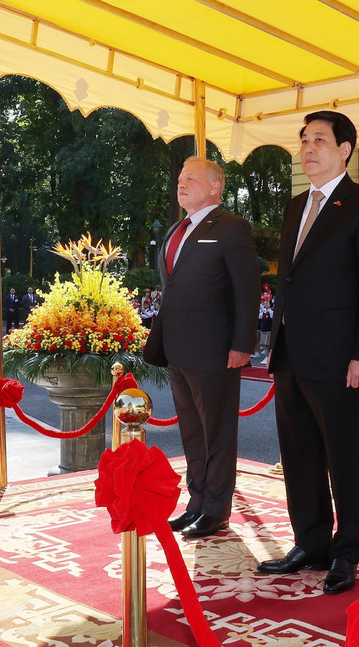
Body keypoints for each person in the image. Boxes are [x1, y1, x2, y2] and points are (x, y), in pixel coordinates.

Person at [258, 111, 359, 596]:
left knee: (343, 456)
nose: (308, 148)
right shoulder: (296, 206)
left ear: (345, 150)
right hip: (291, 352)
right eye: (304, 140)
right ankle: (309, 543)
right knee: (298, 455)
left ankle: (346, 550)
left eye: (319, 139)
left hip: (340, 359)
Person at [144, 156, 259, 540]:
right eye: (180, 177)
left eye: (191, 178)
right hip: (178, 349)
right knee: (193, 432)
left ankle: (216, 510)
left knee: (217, 433)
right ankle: (196, 503)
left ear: (215, 186)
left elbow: (247, 290)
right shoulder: (177, 229)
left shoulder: (230, 228)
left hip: (215, 351)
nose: (182, 183)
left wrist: (242, 344)